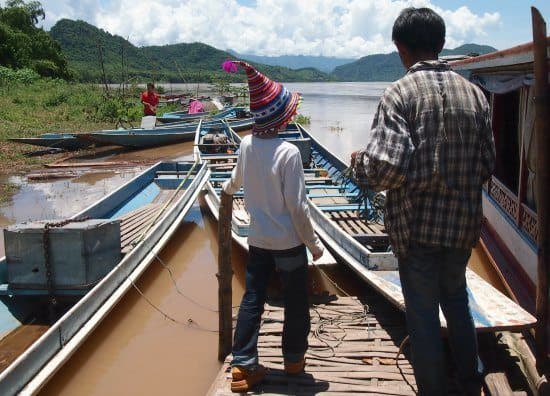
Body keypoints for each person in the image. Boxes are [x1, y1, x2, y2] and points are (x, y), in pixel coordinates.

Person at [351, 7, 495, 396]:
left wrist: (359, 167)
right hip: (463, 228)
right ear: (442, 44)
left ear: (400, 49)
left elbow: (386, 169)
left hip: (416, 231)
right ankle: (469, 383)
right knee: (457, 302)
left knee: (424, 318)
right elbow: (487, 165)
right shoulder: (477, 97)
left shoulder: (398, 94)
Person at [221, 60, 324, 393]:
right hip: (289, 244)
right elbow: (297, 207)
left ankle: (243, 367)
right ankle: (294, 361)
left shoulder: (247, 145)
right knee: (296, 302)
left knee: (253, 299)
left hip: (259, 241)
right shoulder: (289, 153)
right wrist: (314, 245)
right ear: (281, 117)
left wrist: (226, 190)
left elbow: (235, 182)